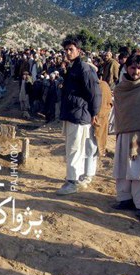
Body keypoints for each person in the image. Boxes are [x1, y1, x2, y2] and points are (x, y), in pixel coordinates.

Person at [56, 37, 101, 195]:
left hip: (79, 114)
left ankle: (72, 182)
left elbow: (95, 92)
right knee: (72, 148)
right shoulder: (73, 67)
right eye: (66, 50)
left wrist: (95, 113)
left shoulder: (83, 68)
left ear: (78, 51)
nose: (68, 52)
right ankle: (74, 178)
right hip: (71, 113)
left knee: (75, 149)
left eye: (71, 49)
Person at [112, 54, 140, 219]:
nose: (135, 71)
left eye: (138, 68)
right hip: (124, 133)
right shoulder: (121, 88)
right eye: (132, 67)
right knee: (123, 168)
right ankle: (125, 200)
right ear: (127, 68)